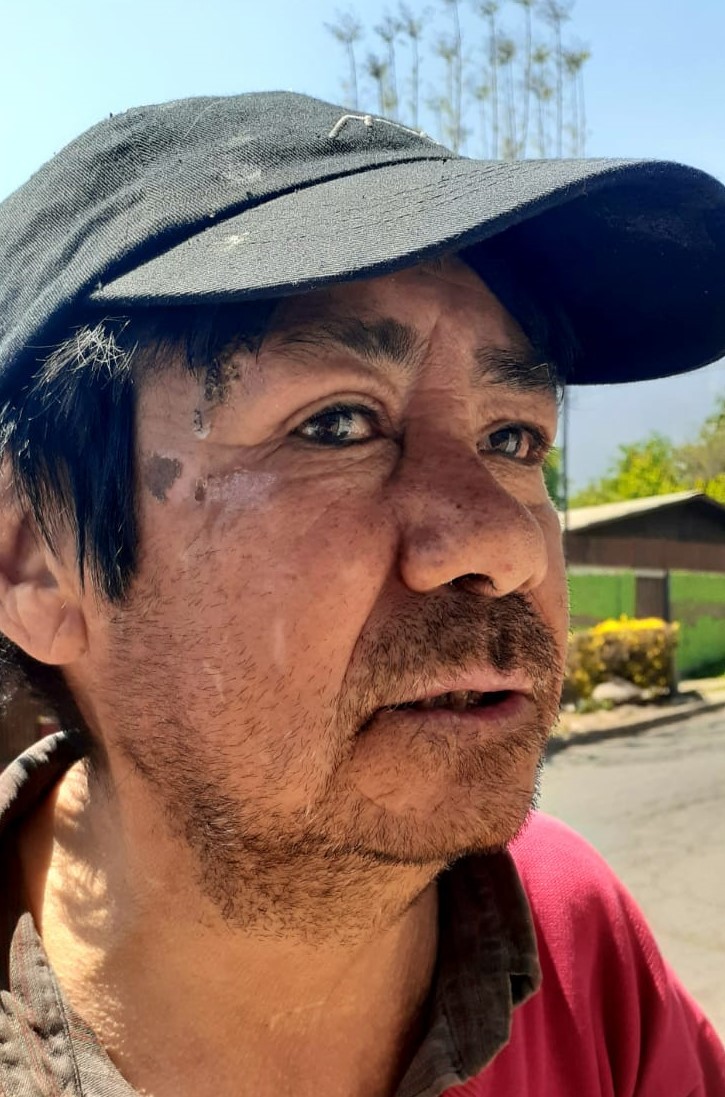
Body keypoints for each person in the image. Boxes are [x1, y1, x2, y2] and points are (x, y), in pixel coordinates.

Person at [0, 91, 723, 1097]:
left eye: (513, 438)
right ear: (35, 559)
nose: (504, 543)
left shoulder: (574, 928)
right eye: (337, 424)